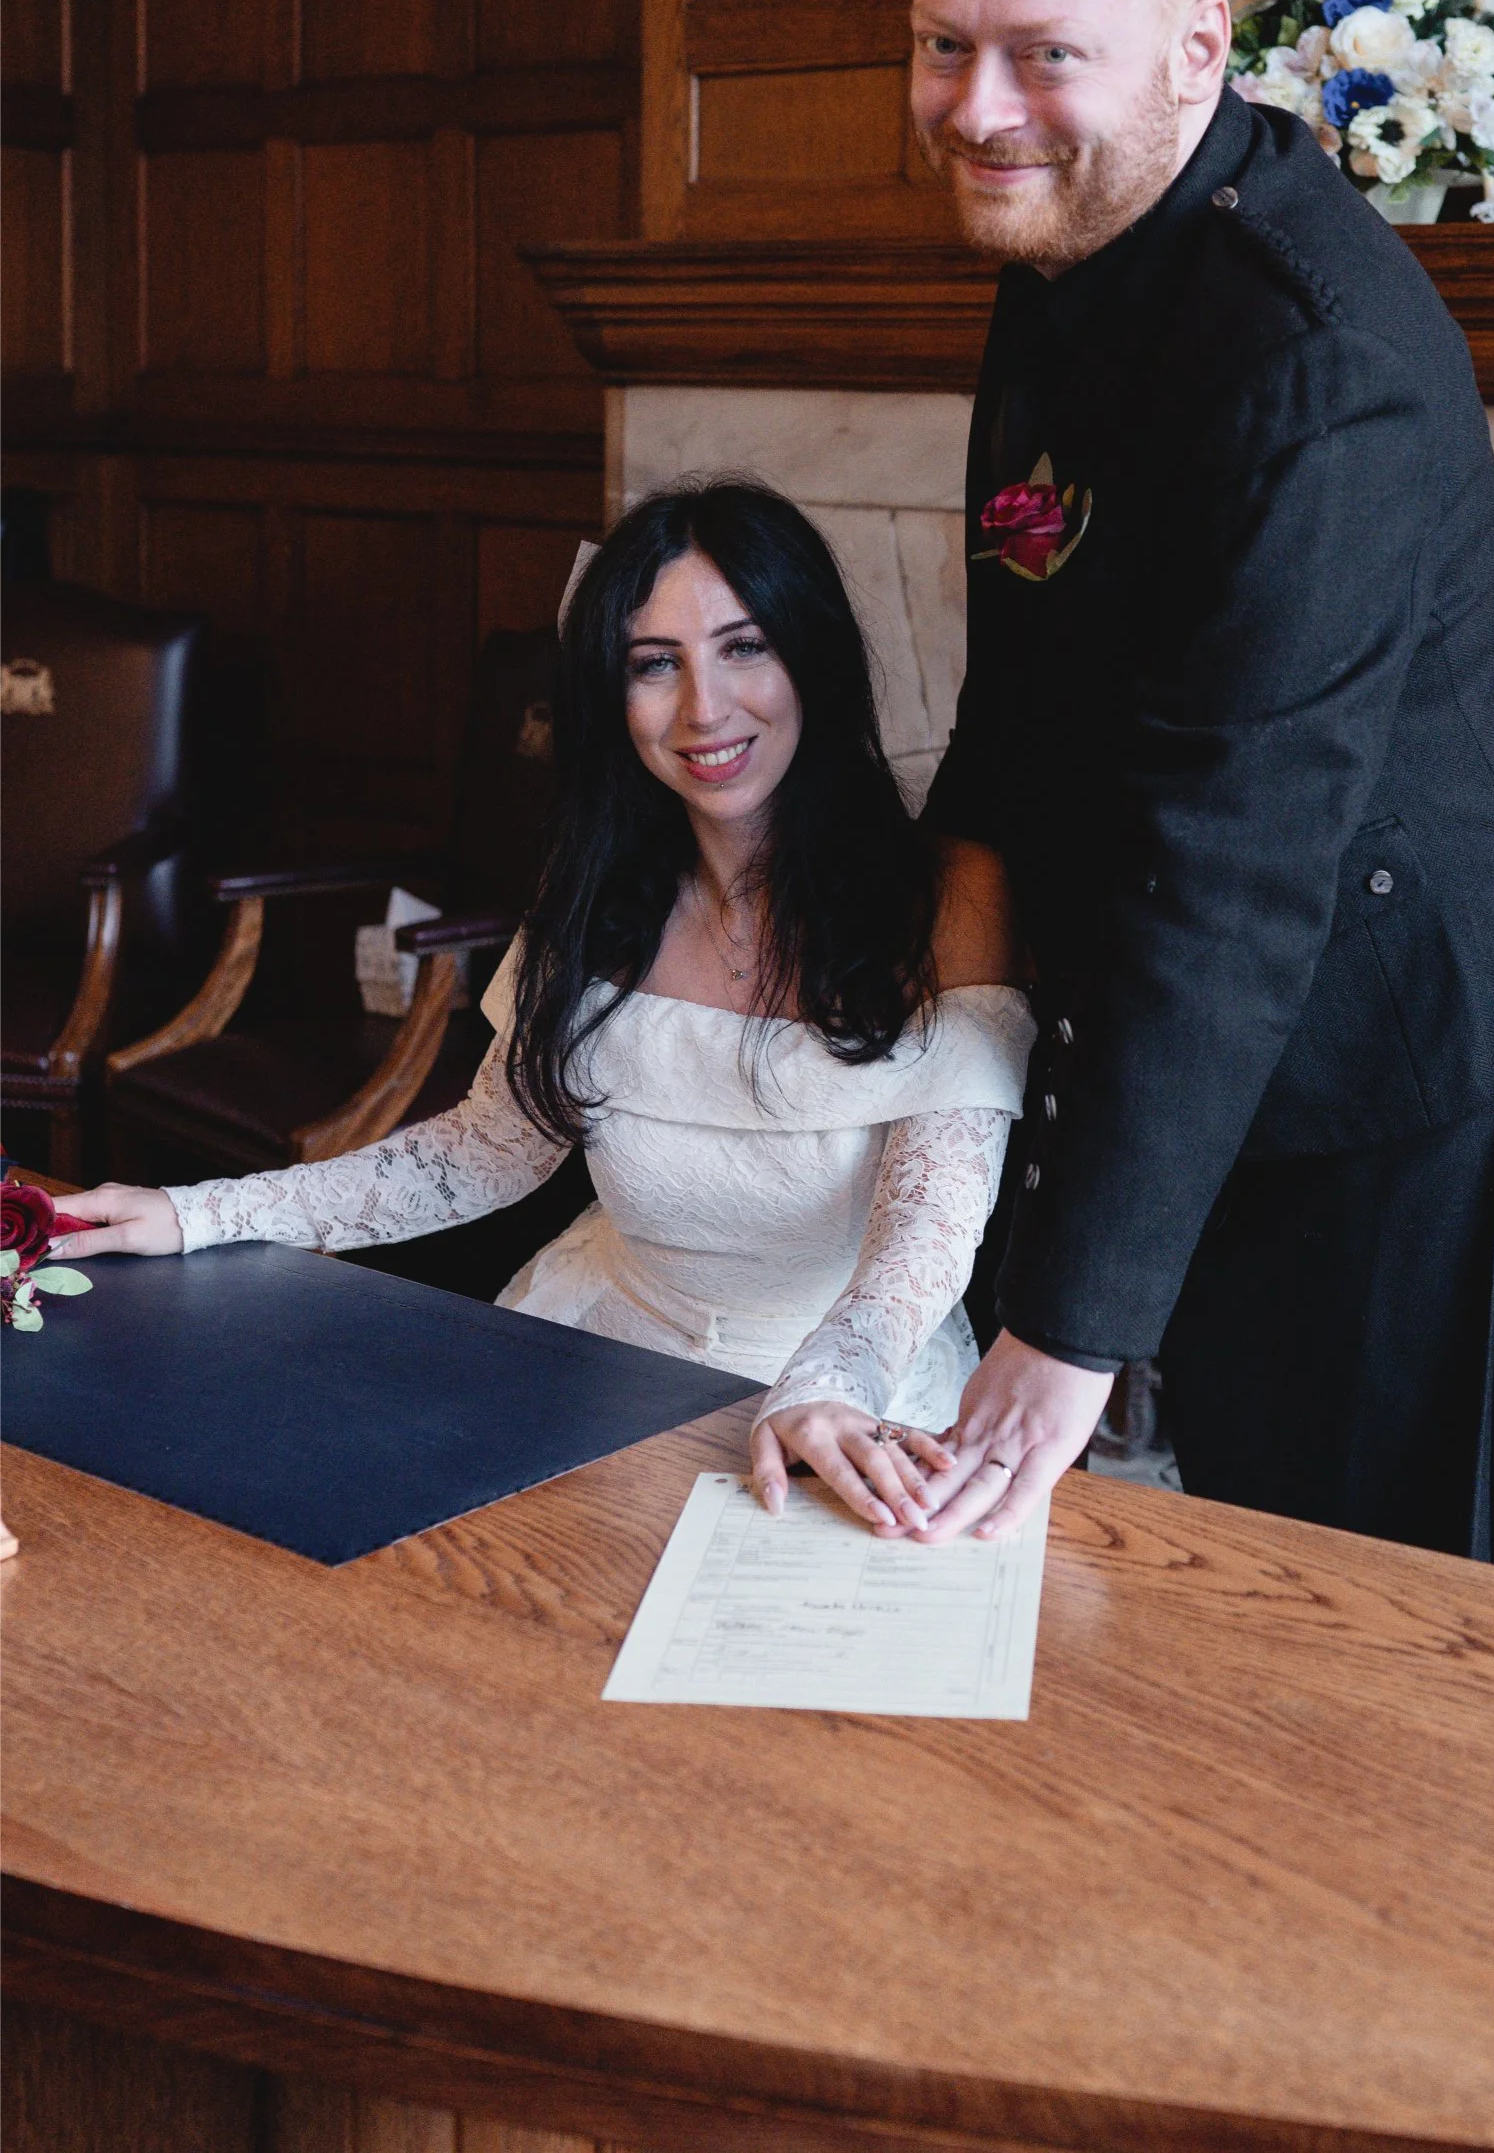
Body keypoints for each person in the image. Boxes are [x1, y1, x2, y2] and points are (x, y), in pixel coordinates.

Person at [902, 0, 1494, 1599]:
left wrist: (1063, 1328)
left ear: (1204, 49)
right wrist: (956, 1069)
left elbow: (1235, 862)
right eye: (943, 45)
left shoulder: (1313, 351)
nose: (977, 109)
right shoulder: (1069, 234)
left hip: (1461, 1111)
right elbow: (1022, 704)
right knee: (1298, 1651)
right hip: (1259, 1095)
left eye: (1045, 54)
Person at [56, 484, 1035, 1538]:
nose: (706, 708)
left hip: (858, 1394)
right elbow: (490, 1149)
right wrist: (199, 1213)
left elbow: (928, 1228)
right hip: (592, 1363)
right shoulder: (598, 886)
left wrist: (829, 1381)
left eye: (745, 648)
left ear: (815, 659)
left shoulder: (953, 893)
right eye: (655, 664)